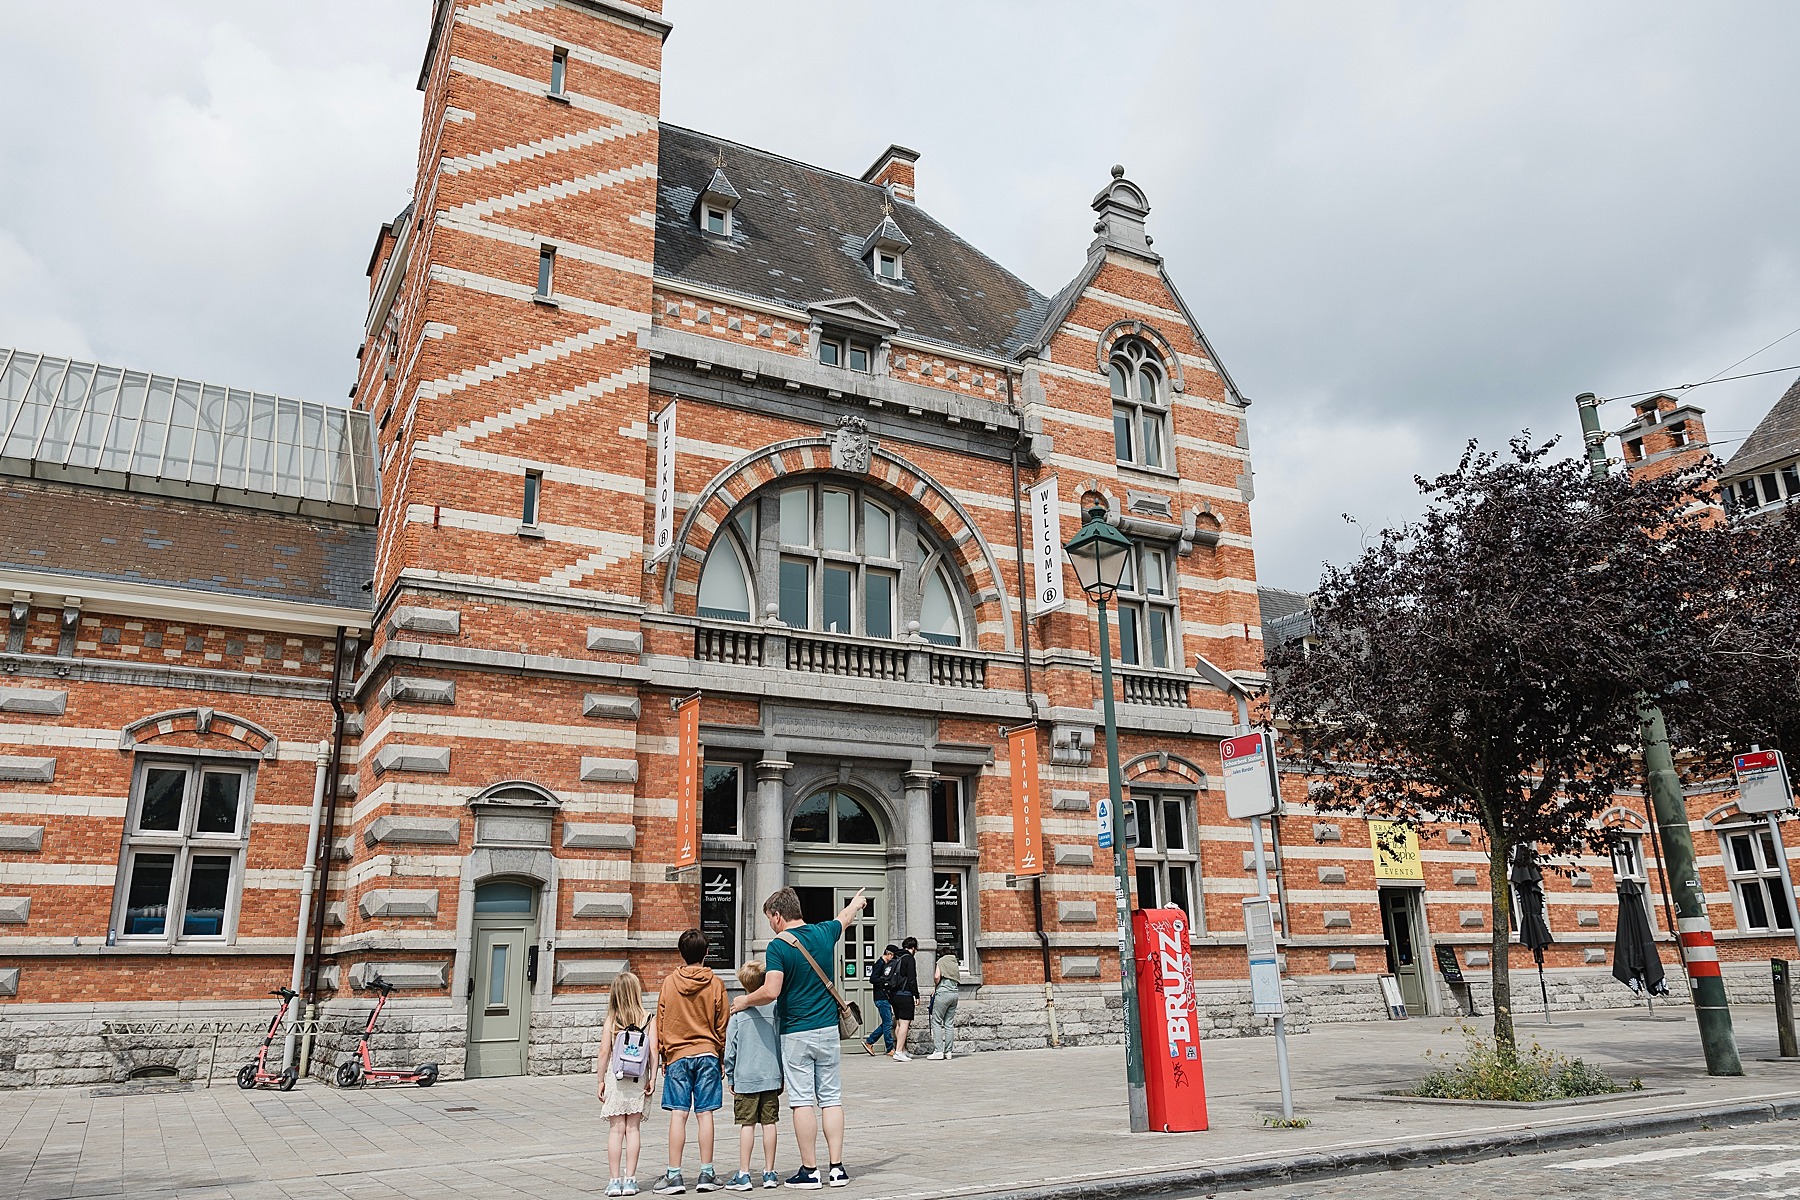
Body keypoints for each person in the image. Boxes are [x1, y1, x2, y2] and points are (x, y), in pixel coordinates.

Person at [733, 885, 866, 1189]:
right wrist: (857, 903)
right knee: (831, 1098)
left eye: (770, 918)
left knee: (802, 1100)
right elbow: (843, 919)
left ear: (778, 915)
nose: (770, 923)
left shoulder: (778, 946)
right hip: (828, 1030)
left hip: (797, 1033)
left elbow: (771, 991)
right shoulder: (822, 933)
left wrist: (744, 1001)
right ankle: (836, 1169)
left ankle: (810, 1170)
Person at [654, 928, 730, 1195]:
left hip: (677, 1056)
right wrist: (719, 1056)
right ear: (707, 953)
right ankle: (706, 1173)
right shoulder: (716, 984)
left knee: (679, 1113)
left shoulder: (669, 983)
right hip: (708, 1053)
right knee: (705, 1113)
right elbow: (722, 1024)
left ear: (681, 953)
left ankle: (674, 1175)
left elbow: (660, 1023)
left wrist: (664, 1054)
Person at [721, 960, 783, 1191]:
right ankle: (769, 1172)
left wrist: (730, 1075)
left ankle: (744, 1173)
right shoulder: (775, 1009)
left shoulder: (738, 1012)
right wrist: (781, 1074)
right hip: (770, 1075)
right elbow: (780, 1043)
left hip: (746, 1076)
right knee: (770, 1123)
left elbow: (731, 1049)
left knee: (747, 1125)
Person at [598, 970, 659, 1197]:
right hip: (638, 1078)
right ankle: (631, 1179)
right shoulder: (648, 1018)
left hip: (616, 1077)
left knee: (616, 1130)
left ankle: (614, 1181)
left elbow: (605, 1051)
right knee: (633, 1129)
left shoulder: (612, 1020)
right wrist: (653, 1077)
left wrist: (599, 1080)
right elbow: (654, 1050)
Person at [860, 945, 899, 1057]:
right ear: (889, 954)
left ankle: (870, 1042)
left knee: (887, 1023)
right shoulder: (879, 964)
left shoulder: (884, 964)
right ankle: (889, 1048)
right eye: (893, 956)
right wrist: (884, 982)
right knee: (888, 1023)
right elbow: (872, 978)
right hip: (881, 998)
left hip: (884, 997)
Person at [888, 937, 920, 1062]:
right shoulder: (909, 958)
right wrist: (916, 994)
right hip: (905, 994)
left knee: (899, 1023)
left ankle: (902, 1049)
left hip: (894, 994)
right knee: (905, 1023)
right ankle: (899, 1051)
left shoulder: (896, 957)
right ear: (913, 948)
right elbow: (912, 978)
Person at [928, 948, 962, 1060]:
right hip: (954, 993)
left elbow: (937, 976)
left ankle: (938, 1051)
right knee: (949, 1023)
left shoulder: (941, 961)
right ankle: (948, 1052)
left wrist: (936, 985)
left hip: (943, 992)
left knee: (937, 1021)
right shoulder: (955, 962)